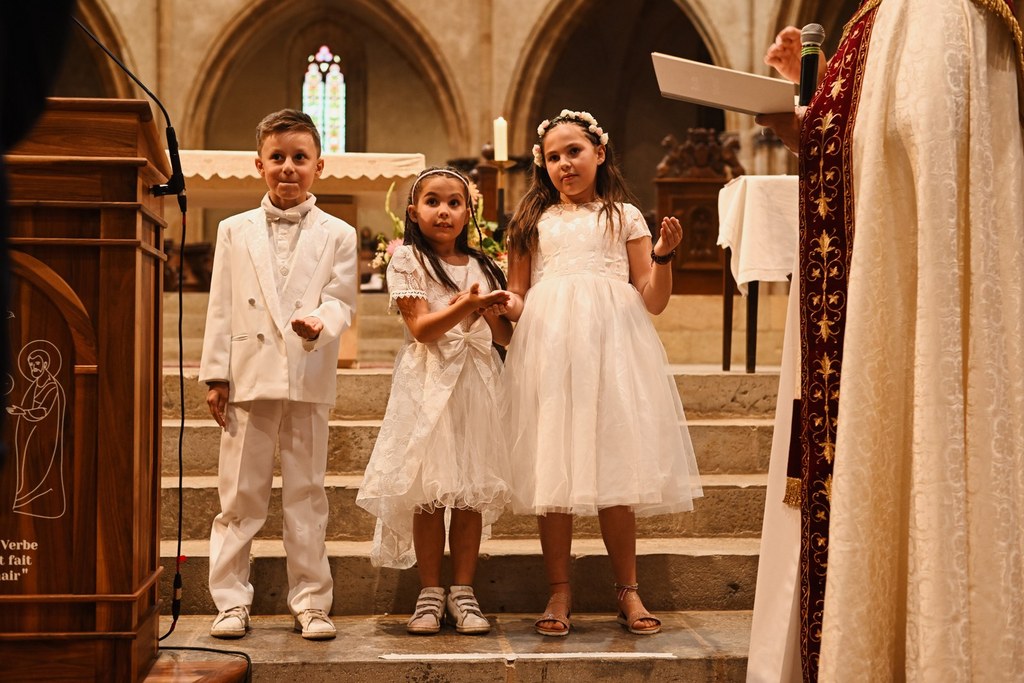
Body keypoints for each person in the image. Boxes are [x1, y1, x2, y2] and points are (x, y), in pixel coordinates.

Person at [749, 2, 1024, 680]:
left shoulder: (970, 18)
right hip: (891, 319)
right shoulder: (876, 21)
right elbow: (868, 164)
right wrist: (800, 114)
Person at [501, 109, 703, 637]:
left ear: (600, 153)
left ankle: (628, 590)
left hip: (614, 348)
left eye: (575, 151)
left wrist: (664, 256)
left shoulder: (625, 216)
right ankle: (559, 591)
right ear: (542, 165)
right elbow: (519, 298)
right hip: (550, 347)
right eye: (553, 157)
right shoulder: (530, 222)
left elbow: (652, 300)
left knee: (617, 466)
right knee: (555, 466)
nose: (564, 164)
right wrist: (506, 303)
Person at [199, 109, 357, 641]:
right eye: (278, 158)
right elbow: (221, 303)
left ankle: (311, 601)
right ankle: (229, 600)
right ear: (259, 163)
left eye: (299, 158)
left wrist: (320, 322)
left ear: (318, 165)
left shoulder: (340, 233)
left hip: (307, 371)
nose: (288, 168)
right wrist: (215, 376)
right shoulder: (232, 229)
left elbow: (342, 301)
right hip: (248, 374)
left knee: (307, 495)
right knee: (239, 497)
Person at [356, 167, 512, 636]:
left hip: (475, 383)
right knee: (428, 491)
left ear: (469, 212)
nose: (443, 211)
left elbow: (503, 335)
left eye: (454, 203)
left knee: (468, 491)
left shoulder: (484, 264)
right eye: (432, 201)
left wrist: (492, 311)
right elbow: (421, 329)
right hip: (427, 383)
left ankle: (463, 591)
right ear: (413, 211)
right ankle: (429, 592)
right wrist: (466, 306)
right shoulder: (407, 261)